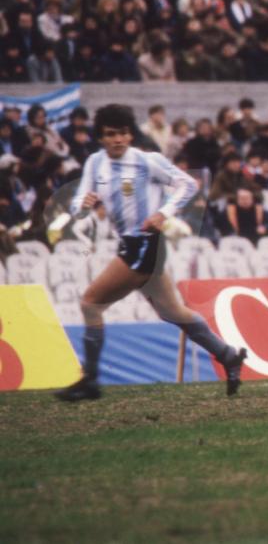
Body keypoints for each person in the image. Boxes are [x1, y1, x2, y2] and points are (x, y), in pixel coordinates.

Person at [56, 104, 247, 402]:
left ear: (131, 134)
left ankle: (90, 380)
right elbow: (77, 202)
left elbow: (189, 184)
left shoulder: (147, 161)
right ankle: (229, 355)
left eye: (122, 133)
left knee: (90, 302)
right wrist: (82, 204)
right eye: (110, 134)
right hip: (132, 245)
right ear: (101, 138)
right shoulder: (95, 163)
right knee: (172, 311)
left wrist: (163, 213)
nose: (117, 139)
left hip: (146, 243)